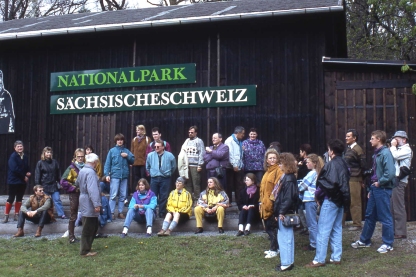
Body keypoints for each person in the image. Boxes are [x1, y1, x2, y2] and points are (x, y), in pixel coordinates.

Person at [305, 139, 350, 268]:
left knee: (323, 230)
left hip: (331, 200)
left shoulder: (331, 165)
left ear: (331, 151)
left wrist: (318, 196)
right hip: (340, 201)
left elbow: (325, 185)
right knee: (336, 228)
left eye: (329, 149)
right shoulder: (343, 163)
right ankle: (336, 257)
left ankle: (319, 259)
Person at [351, 130, 396, 254]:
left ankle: (388, 244)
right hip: (375, 188)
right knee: (369, 215)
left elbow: (390, 173)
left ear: (379, 139)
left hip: (383, 188)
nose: (370, 141)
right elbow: (375, 174)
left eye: (372, 138)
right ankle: (365, 241)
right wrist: (371, 188)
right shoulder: (377, 154)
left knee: (385, 216)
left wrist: (380, 182)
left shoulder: (385, 153)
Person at [273, 153, 299, 272]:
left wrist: (281, 212)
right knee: (285, 237)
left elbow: (288, 198)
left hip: (285, 212)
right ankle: (288, 261)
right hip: (284, 211)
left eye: (281, 163)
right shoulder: (287, 177)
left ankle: (287, 263)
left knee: (285, 238)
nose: (279, 165)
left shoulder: (288, 179)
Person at [104, 133, 135, 220]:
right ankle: (111, 213)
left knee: (123, 195)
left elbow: (133, 160)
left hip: (124, 176)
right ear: (116, 141)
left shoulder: (126, 151)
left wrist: (127, 156)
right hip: (115, 176)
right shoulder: (112, 151)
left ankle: (120, 213)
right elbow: (107, 164)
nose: (120, 141)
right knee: (113, 195)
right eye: (118, 140)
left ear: (123, 141)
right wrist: (107, 174)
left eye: (121, 140)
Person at [259, 148, 283, 259]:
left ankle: (274, 249)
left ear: (277, 159)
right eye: (270, 158)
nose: (272, 160)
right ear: (267, 160)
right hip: (264, 204)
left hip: (272, 205)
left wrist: (273, 203)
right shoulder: (267, 172)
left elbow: (278, 189)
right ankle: (274, 248)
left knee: (272, 228)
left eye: (274, 158)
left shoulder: (278, 171)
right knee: (268, 228)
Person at [390, 130, 413, 239]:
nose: (395, 140)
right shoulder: (399, 148)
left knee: (398, 206)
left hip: (400, 181)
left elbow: (395, 156)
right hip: (395, 181)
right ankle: (395, 230)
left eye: (397, 138)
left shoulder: (407, 149)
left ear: (404, 140)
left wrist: (393, 146)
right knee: (393, 206)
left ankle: (400, 231)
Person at [77, 153, 101, 257]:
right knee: (89, 226)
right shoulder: (91, 173)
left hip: (83, 198)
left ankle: (86, 248)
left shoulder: (82, 170)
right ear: (95, 162)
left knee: (90, 224)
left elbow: (77, 183)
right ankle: (85, 250)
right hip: (89, 200)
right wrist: (96, 204)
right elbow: (93, 190)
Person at [298, 154, 324, 251]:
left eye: (308, 162)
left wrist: (297, 188)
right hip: (314, 200)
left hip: (310, 199)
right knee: (315, 222)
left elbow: (302, 186)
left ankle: (314, 244)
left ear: (314, 163)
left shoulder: (312, 173)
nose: (306, 164)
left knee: (311, 223)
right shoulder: (318, 172)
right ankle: (317, 242)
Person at [146, 139, 176, 218]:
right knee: (153, 196)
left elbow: (173, 167)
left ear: (163, 147)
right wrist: (152, 173)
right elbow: (147, 167)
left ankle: (162, 212)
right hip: (154, 178)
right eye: (155, 146)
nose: (156, 148)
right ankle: (153, 213)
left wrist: (168, 173)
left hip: (165, 178)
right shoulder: (150, 155)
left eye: (158, 146)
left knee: (164, 196)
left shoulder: (170, 155)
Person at [60, 148, 85, 243]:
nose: (80, 158)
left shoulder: (86, 167)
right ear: (75, 157)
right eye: (78, 156)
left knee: (86, 213)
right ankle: (71, 237)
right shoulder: (71, 168)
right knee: (73, 214)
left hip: (85, 193)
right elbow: (63, 181)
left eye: (82, 156)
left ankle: (87, 235)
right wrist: (74, 188)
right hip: (74, 194)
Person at [344, 129, 366, 231]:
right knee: (346, 200)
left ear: (354, 138)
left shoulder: (358, 149)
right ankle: (341, 223)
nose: (346, 138)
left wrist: (363, 180)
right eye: (346, 136)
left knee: (355, 201)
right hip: (348, 178)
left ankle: (357, 224)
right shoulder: (348, 149)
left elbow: (363, 166)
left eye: (348, 136)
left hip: (355, 179)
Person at [3, 140, 31, 223]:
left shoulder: (25, 156)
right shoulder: (13, 157)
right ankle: (6, 216)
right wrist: (24, 176)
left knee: (19, 198)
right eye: (18, 146)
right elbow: (14, 169)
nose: (20, 148)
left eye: (21, 146)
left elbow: (26, 167)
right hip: (13, 181)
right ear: (15, 148)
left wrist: (28, 172)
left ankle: (16, 214)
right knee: (11, 198)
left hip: (22, 182)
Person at [34, 146, 65, 219]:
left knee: (57, 199)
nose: (49, 154)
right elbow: (37, 174)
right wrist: (37, 186)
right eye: (47, 152)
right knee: (44, 201)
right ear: (44, 153)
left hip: (53, 184)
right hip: (44, 185)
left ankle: (61, 214)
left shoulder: (54, 162)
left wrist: (61, 182)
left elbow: (58, 173)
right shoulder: (40, 163)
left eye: (50, 152)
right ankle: (43, 214)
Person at [178, 126, 205, 202]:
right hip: (187, 165)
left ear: (196, 133)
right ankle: (189, 199)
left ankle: (197, 200)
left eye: (192, 132)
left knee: (196, 183)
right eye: (189, 132)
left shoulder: (199, 141)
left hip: (195, 165)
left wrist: (200, 165)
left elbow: (201, 153)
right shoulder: (186, 141)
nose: (190, 134)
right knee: (188, 183)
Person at [224, 126, 245, 203]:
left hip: (238, 165)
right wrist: (234, 165)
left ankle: (238, 200)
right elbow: (230, 154)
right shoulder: (230, 140)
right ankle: (228, 201)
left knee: (239, 183)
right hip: (230, 166)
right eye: (242, 133)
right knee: (229, 184)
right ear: (238, 133)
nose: (243, 135)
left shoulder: (239, 141)